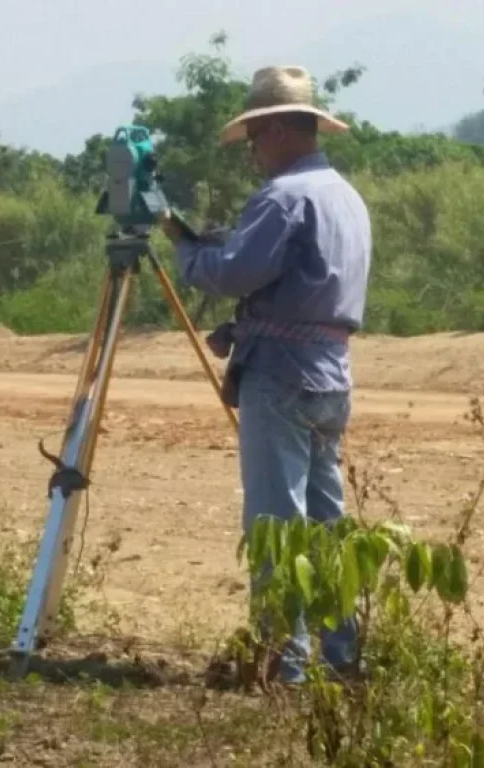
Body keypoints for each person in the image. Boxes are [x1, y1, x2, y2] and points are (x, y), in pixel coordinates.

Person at [158, 65, 372, 684]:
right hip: (331, 374)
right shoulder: (344, 196)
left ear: (277, 129)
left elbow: (230, 274)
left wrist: (179, 239)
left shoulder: (285, 197)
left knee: (277, 524)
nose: (251, 151)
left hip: (280, 376)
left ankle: (286, 664)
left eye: (254, 137)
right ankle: (340, 655)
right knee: (327, 524)